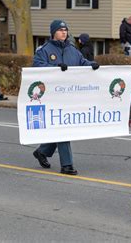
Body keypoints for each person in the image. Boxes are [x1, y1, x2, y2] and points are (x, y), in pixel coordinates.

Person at [32, 20, 99, 175]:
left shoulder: (72, 49)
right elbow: (37, 66)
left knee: (62, 127)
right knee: (64, 128)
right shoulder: (44, 50)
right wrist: (55, 69)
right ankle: (67, 165)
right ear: (53, 32)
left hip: (70, 95)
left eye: (65, 30)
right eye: (60, 30)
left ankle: (42, 151)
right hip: (52, 95)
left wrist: (91, 64)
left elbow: (82, 62)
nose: (64, 32)